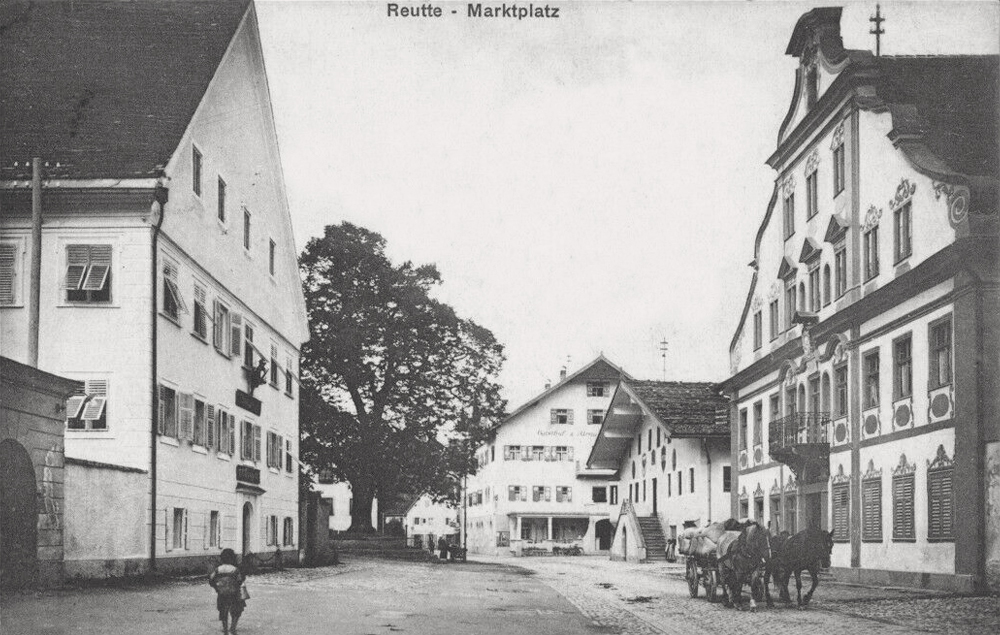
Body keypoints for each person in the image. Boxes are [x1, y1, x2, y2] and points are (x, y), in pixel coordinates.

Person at [208, 548, 246, 634]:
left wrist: (217, 588)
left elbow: (211, 580)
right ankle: (233, 627)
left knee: (223, 611)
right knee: (236, 610)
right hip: (234, 594)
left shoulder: (218, 569)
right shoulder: (235, 569)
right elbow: (240, 580)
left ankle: (225, 629)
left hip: (222, 594)